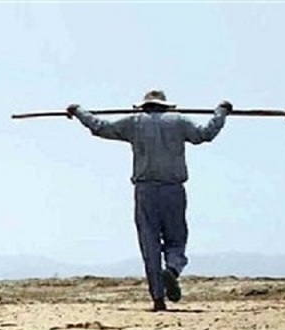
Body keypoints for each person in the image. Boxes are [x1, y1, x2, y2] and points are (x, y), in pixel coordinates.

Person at [67, 90, 232, 311]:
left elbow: (100, 127)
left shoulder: (134, 122)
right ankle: (172, 269)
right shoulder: (179, 120)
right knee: (176, 240)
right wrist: (221, 112)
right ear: (165, 106)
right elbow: (205, 134)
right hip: (174, 189)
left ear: (144, 106)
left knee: (149, 244)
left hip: (145, 191)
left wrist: (79, 111)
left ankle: (158, 298)